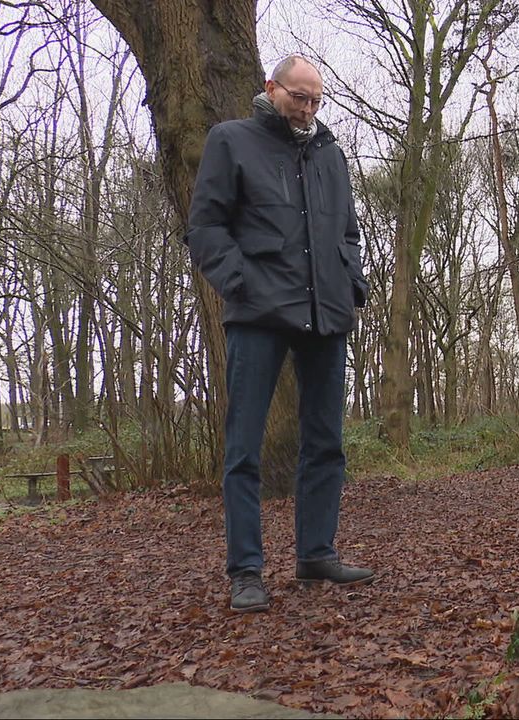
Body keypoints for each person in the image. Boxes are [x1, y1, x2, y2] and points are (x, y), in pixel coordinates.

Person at [186, 55, 374, 613]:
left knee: (327, 442)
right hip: (258, 313)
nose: (308, 108)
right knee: (244, 447)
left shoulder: (330, 153)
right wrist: (240, 282)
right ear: (271, 88)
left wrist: (353, 284)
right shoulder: (231, 140)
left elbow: (348, 231)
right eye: (299, 96)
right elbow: (205, 227)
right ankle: (246, 570)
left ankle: (316, 553)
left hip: (327, 312)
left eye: (317, 99)